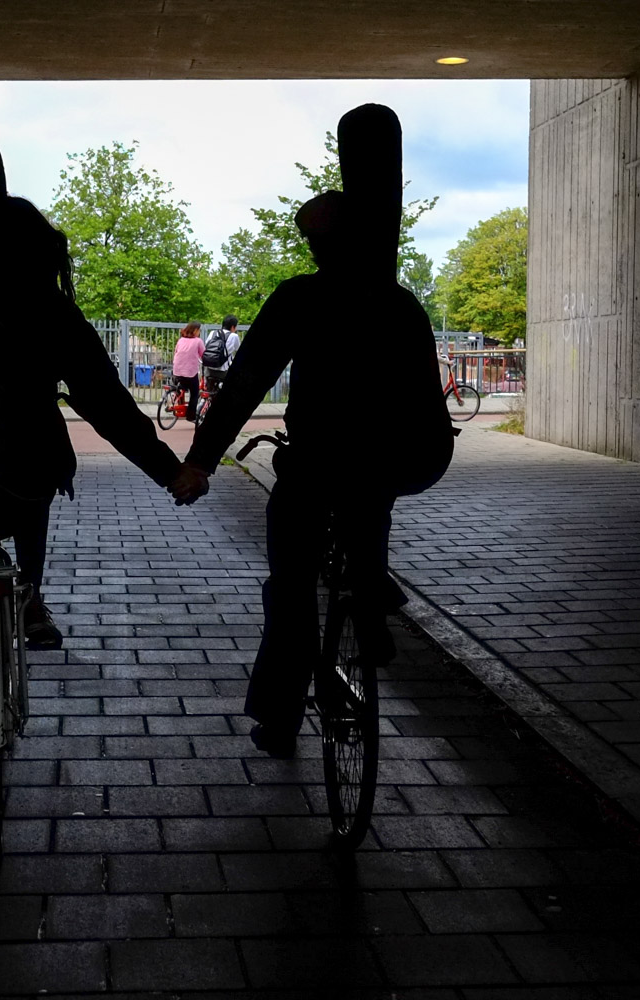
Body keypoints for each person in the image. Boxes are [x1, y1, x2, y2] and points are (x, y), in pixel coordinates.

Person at [0, 124, 209, 760]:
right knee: (36, 477)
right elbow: (107, 403)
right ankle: (28, 592)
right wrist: (174, 472)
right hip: (19, 479)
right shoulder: (44, 306)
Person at [174, 104, 456, 759]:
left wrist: (202, 461)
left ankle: (279, 716)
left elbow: (243, 387)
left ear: (317, 246)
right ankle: (369, 576)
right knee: (368, 487)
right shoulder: (402, 303)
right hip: (401, 460)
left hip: (319, 463)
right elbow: (425, 402)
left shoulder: (300, 298)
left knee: (291, 583)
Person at [169, 322, 205, 423]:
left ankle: (177, 396)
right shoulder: (198, 341)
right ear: (195, 331)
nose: (199, 332)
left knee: (181, 386)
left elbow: (176, 352)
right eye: (199, 330)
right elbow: (204, 355)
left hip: (176, 371)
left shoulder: (181, 340)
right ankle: (191, 416)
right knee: (194, 393)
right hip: (190, 373)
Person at [201, 315, 242, 390]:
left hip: (209, 369)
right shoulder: (234, 336)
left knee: (209, 391)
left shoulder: (213, 333)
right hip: (223, 371)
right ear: (233, 327)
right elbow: (238, 350)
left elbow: (206, 346)